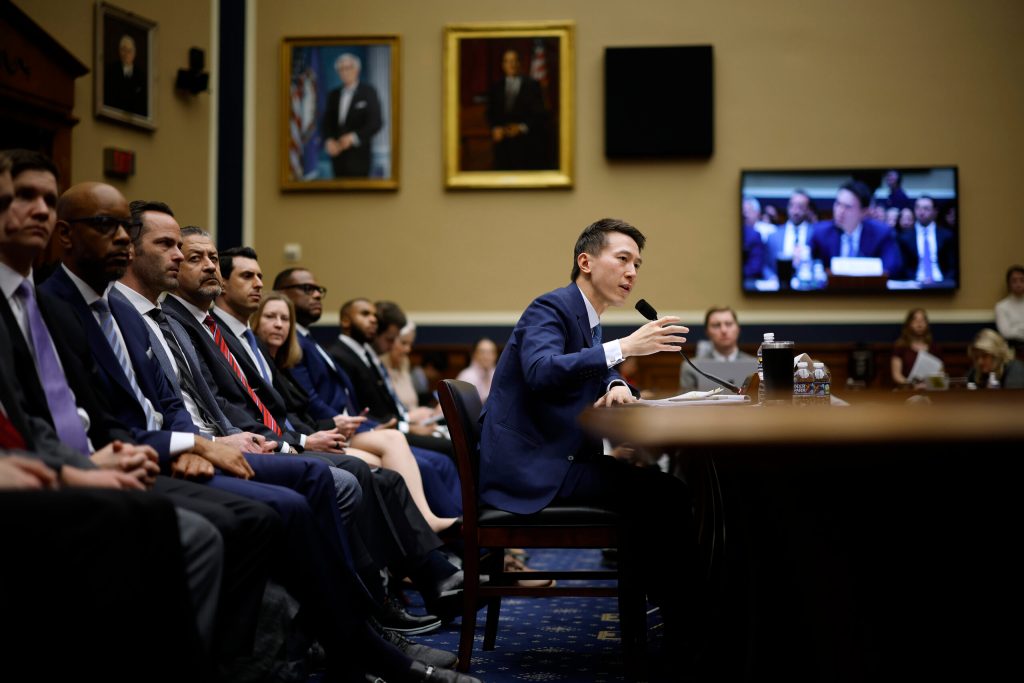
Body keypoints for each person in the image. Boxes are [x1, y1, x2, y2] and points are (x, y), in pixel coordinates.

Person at [478, 217, 705, 674]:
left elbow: (592, 368)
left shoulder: (586, 319)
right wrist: (624, 350)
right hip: (533, 468)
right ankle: (684, 622)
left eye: (637, 263)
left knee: (658, 490)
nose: (632, 272)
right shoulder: (550, 307)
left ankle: (671, 611)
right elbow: (543, 370)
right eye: (623, 259)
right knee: (667, 493)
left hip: (557, 459)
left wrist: (617, 380)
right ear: (585, 261)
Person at [252, 292, 460, 532]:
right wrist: (323, 431)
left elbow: (315, 408)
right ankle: (429, 540)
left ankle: (436, 541)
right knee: (396, 464)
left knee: (400, 465)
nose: (279, 324)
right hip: (312, 435)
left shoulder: (297, 355)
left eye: (284, 318)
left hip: (331, 430)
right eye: (271, 317)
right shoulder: (329, 354)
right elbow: (307, 406)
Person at [809, 179, 903, 276]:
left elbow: (892, 267)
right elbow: (807, 259)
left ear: (864, 212)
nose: (840, 211)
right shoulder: (821, 232)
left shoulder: (881, 233)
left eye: (847, 207)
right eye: (838, 204)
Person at [321, 53, 382, 178]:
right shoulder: (333, 95)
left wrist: (353, 138)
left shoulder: (368, 92)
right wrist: (329, 140)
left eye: (348, 68)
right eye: (341, 69)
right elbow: (327, 123)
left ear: (357, 70)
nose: (345, 72)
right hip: (337, 158)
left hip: (360, 157)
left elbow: (376, 123)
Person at [487, 48, 549, 170]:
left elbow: (540, 115)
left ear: (519, 63)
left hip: (526, 144)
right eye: (507, 61)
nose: (511, 65)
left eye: (514, 61)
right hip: (502, 144)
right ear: (503, 65)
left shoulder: (532, 85)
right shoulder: (496, 87)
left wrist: (521, 128)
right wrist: (495, 128)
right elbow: (490, 113)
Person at [679, 306, 755, 392]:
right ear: (707, 332)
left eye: (729, 324)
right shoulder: (692, 367)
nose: (723, 330)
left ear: (738, 329)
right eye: (716, 325)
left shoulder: (755, 366)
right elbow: (686, 403)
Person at [895, 195, 956, 284]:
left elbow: (952, 266)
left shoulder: (947, 235)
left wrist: (945, 282)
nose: (921, 212)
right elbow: (903, 267)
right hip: (914, 283)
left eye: (926, 208)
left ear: (935, 212)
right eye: (918, 208)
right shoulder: (904, 237)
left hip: (942, 281)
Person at [764, 189, 814, 282]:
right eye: (792, 205)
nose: (795, 211)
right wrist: (772, 278)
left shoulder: (815, 234)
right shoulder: (773, 236)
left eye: (800, 207)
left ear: (807, 209)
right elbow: (766, 266)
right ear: (787, 207)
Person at [890, 308, 942, 386]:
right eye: (915, 320)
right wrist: (911, 385)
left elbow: (941, 373)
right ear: (909, 323)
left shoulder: (934, 347)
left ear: (927, 324)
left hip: (931, 390)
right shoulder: (901, 347)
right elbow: (897, 375)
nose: (919, 324)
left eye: (922, 320)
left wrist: (928, 385)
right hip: (907, 390)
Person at [104, 33, 147, 116]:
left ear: (134, 53)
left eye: (129, 51)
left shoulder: (141, 76)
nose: (126, 54)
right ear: (119, 51)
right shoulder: (111, 71)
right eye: (123, 50)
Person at [456, 337, 498, 403]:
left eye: (490, 352)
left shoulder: (499, 375)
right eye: (482, 352)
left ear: (495, 355)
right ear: (474, 354)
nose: (486, 356)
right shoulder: (465, 376)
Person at [995, 265, 1024, 352]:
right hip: (1014, 350)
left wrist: (1016, 328)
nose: (1018, 284)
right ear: (1008, 284)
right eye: (1014, 281)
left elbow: (1012, 331)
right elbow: (1006, 333)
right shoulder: (1001, 307)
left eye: (1022, 280)